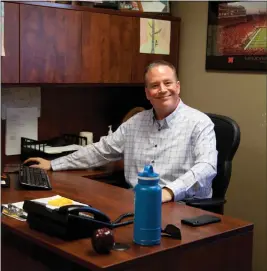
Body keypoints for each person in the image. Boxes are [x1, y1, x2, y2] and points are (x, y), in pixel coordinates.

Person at [24, 60, 218, 203]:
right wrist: (53, 164)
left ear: (178, 86)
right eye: (154, 85)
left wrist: (168, 192)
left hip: (180, 205)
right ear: (147, 93)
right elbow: (101, 150)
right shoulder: (135, 123)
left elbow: (207, 167)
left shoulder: (199, 123)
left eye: (167, 83)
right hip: (136, 202)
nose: (162, 90)